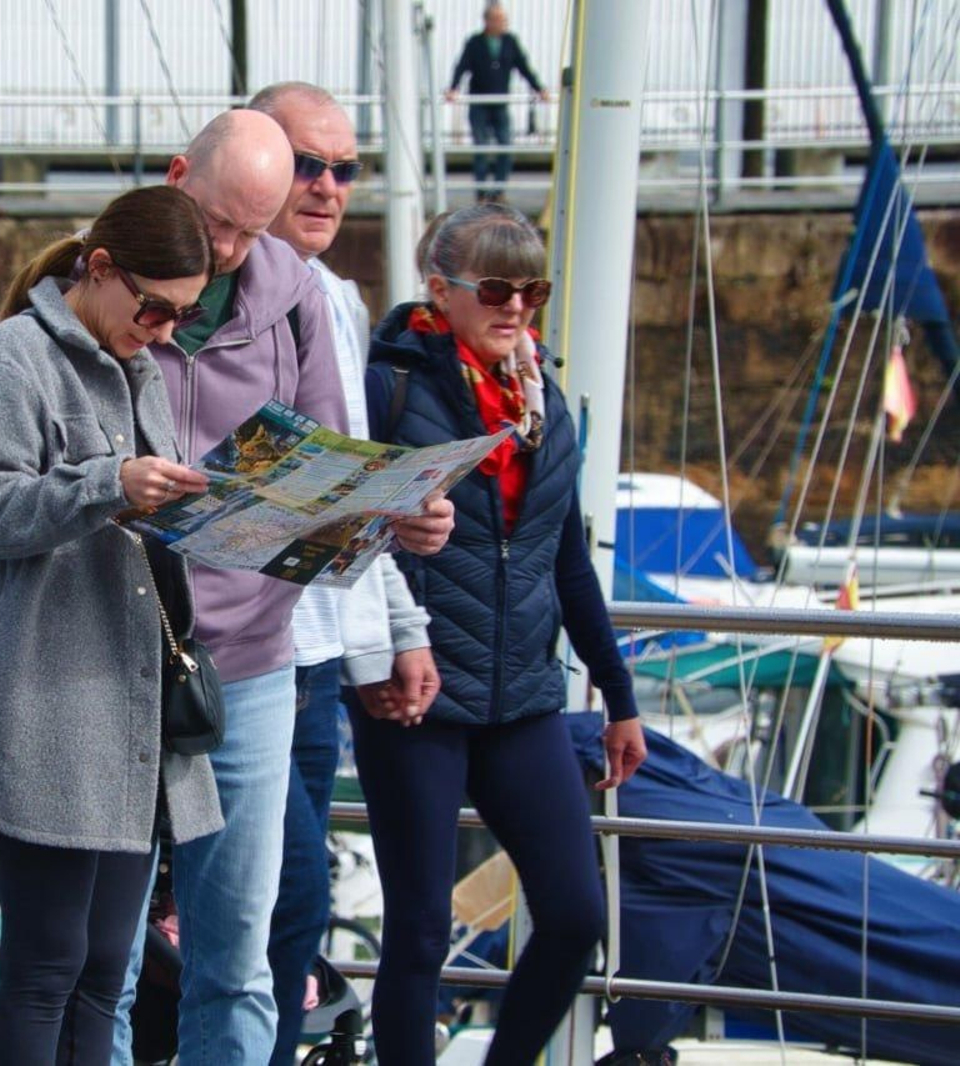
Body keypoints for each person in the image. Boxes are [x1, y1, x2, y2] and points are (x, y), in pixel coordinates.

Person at [113, 109, 454, 1065]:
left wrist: (401, 516)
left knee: (242, 947)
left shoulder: (295, 291)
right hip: (116, 648)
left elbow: (331, 465)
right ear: (180, 173)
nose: (226, 250)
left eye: (247, 232)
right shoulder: (107, 275)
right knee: (107, 953)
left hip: (253, 657)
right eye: (217, 221)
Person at [361, 202, 648, 1063]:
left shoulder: (542, 401)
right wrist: (375, 656)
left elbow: (566, 559)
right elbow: (347, 538)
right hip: (417, 694)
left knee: (572, 916)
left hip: (523, 694)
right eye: (495, 288)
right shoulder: (389, 386)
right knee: (416, 932)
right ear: (440, 290)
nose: (516, 306)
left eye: (533, 290)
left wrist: (618, 696)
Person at [0, 184, 222, 1065]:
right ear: (99, 270)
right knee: (46, 967)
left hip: (126, 703)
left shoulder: (136, 364)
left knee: (106, 968)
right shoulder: (11, 360)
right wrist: (112, 486)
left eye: (185, 314)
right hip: (46, 700)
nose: (167, 329)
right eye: (154, 306)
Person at [247, 81, 436, 1065]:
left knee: (291, 917)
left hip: (316, 649)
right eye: (304, 163)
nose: (325, 186)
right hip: (237, 653)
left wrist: (396, 628)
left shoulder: (339, 299)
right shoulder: (219, 295)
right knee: (278, 895)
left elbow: (350, 480)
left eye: (342, 169)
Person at [446, 3, 548, 203]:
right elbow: (462, 65)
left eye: (504, 20)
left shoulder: (510, 42)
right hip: (480, 104)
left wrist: (539, 88)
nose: (503, 24)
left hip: (500, 103)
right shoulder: (475, 42)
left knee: (506, 146)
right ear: (488, 21)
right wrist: (453, 87)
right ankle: (481, 193)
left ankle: (499, 190)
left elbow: (523, 66)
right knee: (481, 148)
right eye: (499, 20)